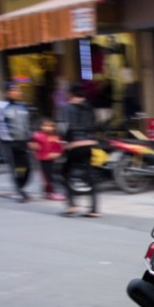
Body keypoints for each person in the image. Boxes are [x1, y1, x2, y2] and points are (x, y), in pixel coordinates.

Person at [61, 83, 100, 218]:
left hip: (75, 144)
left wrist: (65, 141)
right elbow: (95, 124)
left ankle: (72, 205)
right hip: (89, 143)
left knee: (65, 172)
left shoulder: (67, 107)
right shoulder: (90, 107)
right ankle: (94, 209)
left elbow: (64, 126)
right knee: (90, 175)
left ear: (71, 94)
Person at [0, 82, 32, 202]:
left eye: (19, 90)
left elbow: (26, 124)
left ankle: (20, 188)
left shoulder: (23, 106)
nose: (18, 92)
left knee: (26, 168)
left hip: (22, 141)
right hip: (9, 142)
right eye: (15, 90)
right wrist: (7, 140)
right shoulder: (0, 106)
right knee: (15, 168)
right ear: (7, 92)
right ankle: (18, 191)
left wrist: (28, 139)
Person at [29, 118, 65, 201]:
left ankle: (48, 192)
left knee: (51, 175)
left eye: (50, 126)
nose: (47, 128)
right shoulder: (37, 135)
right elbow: (32, 144)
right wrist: (33, 146)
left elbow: (59, 146)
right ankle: (51, 193)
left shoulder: (56, 136)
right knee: (47, 176)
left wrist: (59, 153)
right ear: (41, 126)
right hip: (43, 158)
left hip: (53, 158)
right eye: (45, 126)